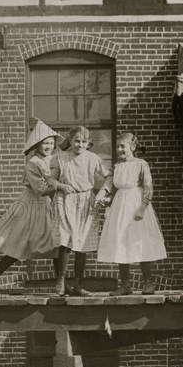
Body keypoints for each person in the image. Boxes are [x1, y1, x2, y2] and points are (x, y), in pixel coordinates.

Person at [0, 119, 62, 298]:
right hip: (32, 204)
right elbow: (40, 190)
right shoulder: (33, 162)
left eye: (50, 143)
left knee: (57, 243)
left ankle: (61, 284)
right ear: (37, 144)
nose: (48, 146)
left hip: (50, 204)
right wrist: (60, 186)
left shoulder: (56, 159)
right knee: (19, 245)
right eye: (44, 143)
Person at [96, 133, 167, 295]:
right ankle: (125, 284)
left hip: (136, 204)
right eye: (118, 146)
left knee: (140, 241)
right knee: (121, 241)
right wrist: (105, 197)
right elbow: (111, 185)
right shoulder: (117, 166)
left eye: (123, 146)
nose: (120, 149)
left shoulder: (141, 164)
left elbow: (148, 186)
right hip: (120, 206)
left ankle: (148, 283)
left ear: (133, 148)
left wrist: (142, 208)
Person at [49, 126, 109, 296]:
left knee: (81, 244)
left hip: (86, 202)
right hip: (65, 199)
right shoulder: (60, 157)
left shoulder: (93, 158)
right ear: (70, 140)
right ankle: (61, 280)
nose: (80, 145)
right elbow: (50, 179)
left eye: (83, 142)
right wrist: (61, 185)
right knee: (65, 239)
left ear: (88, 142)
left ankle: (78, 284)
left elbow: (108, 176)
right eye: (76, 141)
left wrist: (103, 193)